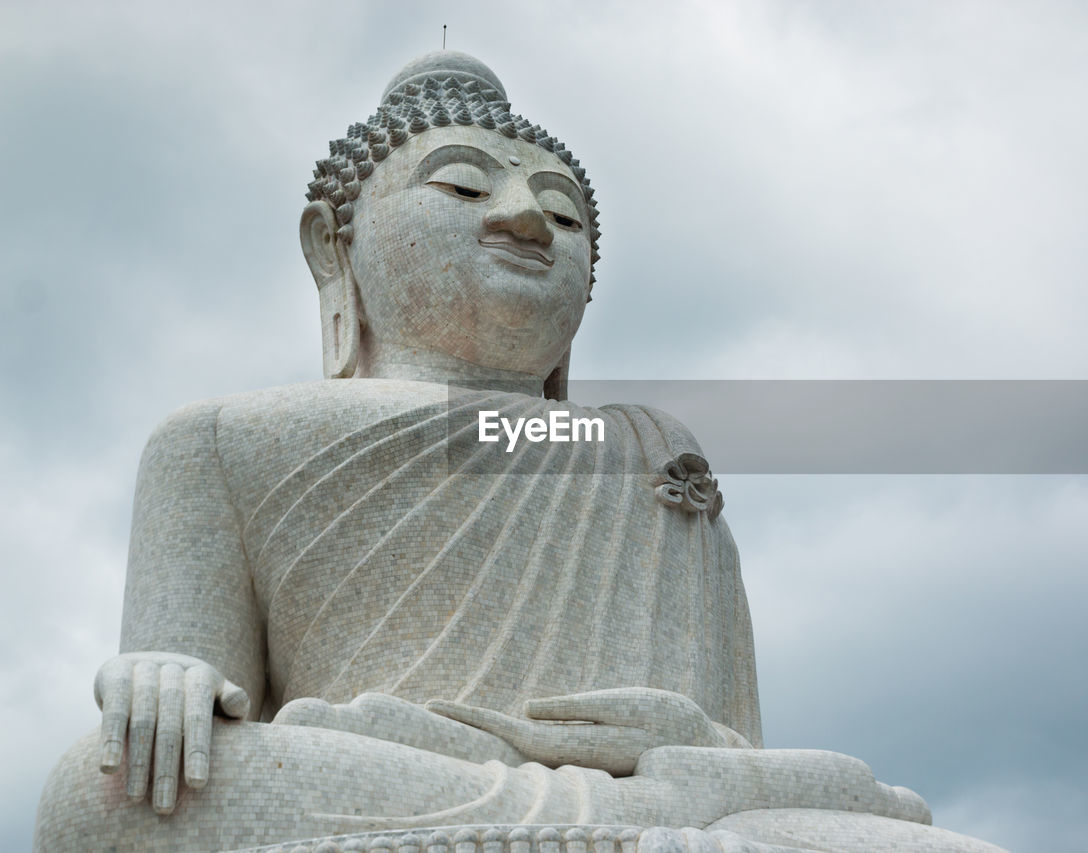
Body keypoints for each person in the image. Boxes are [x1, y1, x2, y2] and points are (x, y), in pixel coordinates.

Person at [34, 51, 1003, 853]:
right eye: (460, 183)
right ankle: (641, 828)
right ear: (333, 247)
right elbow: (190, 698)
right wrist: (165, 673)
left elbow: (729, 738)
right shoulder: (216, 440)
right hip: (405, 772)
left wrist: (683, 767)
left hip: (693, 789)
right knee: (103, 790)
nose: (524, 219)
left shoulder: (645, 444)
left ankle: (646, 821)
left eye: (564, 213)